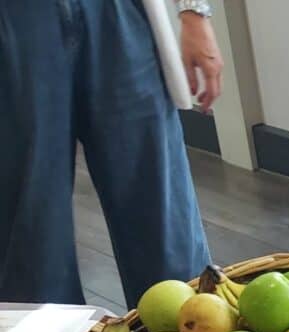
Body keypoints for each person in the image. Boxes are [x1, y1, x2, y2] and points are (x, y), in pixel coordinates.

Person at [0, 1, 223, 309]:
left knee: (164, 222)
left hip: (117, 14)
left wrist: (194, 11)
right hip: (14, 20)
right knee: (30, 236)